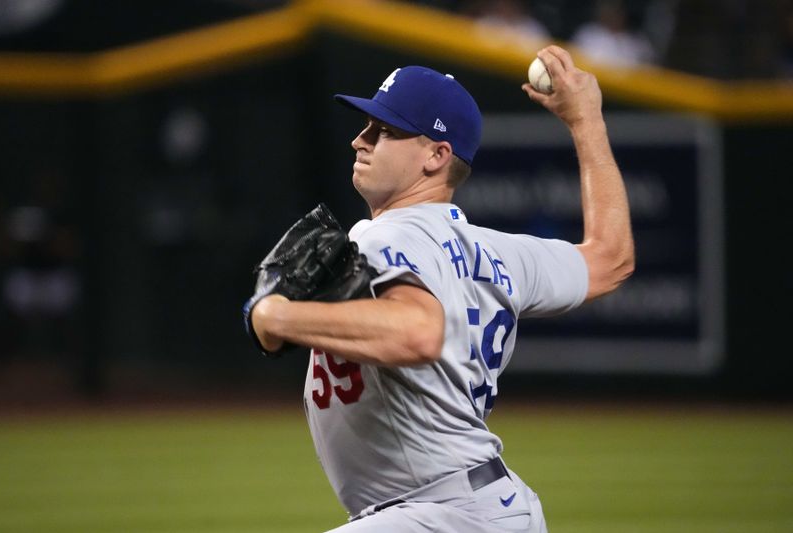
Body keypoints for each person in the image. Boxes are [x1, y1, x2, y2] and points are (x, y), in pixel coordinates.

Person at [249, 45, 634, 532]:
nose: (359, 141)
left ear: (436, 155)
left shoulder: (387, 235)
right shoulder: (499, 253)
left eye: (384, 130)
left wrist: (273, 315)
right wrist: (586, 123)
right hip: (487, 508)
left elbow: (418, 332)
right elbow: (610, 258)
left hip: (442, 511)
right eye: (366, 126)